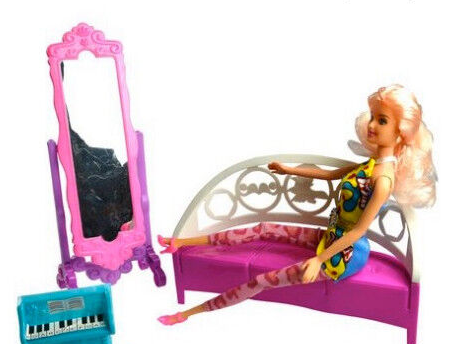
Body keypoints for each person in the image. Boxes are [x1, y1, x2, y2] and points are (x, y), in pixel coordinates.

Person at [157, 85, 436, 325]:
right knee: (264, 228)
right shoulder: (371, 165)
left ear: (400, 133)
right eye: (373, 117)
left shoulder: (383, 180)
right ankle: (180, 242)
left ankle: (187, 314)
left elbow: (357, 232)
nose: (372, 125)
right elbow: (331, 175)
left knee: (261, 280)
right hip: (332, 237)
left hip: (344, 256)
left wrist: (319, 260)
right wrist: (288, 170)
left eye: (382, 121)